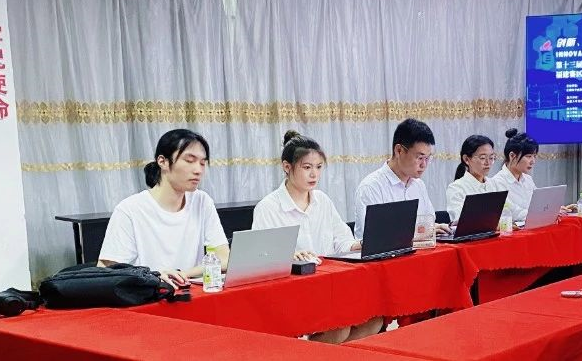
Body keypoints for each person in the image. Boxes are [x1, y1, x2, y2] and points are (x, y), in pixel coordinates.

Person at [253, 130, 379, 344]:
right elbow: (261, 258)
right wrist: (289, 256)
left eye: (319, 167)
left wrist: (361, 244)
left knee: (374, 320)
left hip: (330, 286)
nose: (314, 174)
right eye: (307, 167)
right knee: (339, 328)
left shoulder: (323, 200)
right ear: (287, 167)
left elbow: (342, 240)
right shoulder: (268, 207)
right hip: (294, 292)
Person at [97, 129, 229, 289]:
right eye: (190, 160)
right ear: (163, 161)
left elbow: (224, 258)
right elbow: (106, 272)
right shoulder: (129, 210)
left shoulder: (202, 201)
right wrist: (155, 277)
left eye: (202, 163)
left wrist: (182, 274)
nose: (198, 170)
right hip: (148, 295)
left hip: (190, 293)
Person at [353, 118, 451, 240]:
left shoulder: (418, 185)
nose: (424, 165)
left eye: (428, 158)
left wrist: (435, 228)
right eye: (420, 158)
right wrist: (420, 233)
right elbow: (374, 238)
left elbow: (426, 224)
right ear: (399, 150)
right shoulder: (371, 188)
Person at [487, 128, 538, 222]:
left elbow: (539, 203)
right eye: (528, 156)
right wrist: (539, 214)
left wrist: (553, 209)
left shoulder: (528, 179)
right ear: (512, 156)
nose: (533, 161)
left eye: (534, 156)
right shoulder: (497, 183)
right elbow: (513, 212)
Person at [445, 135, 496, 223]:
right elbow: (462, 220)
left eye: (491, 158)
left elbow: (505, 213)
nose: (488, 163)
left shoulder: (494, 184)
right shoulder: (456, 188)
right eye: (483, 158)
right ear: (466, 159)